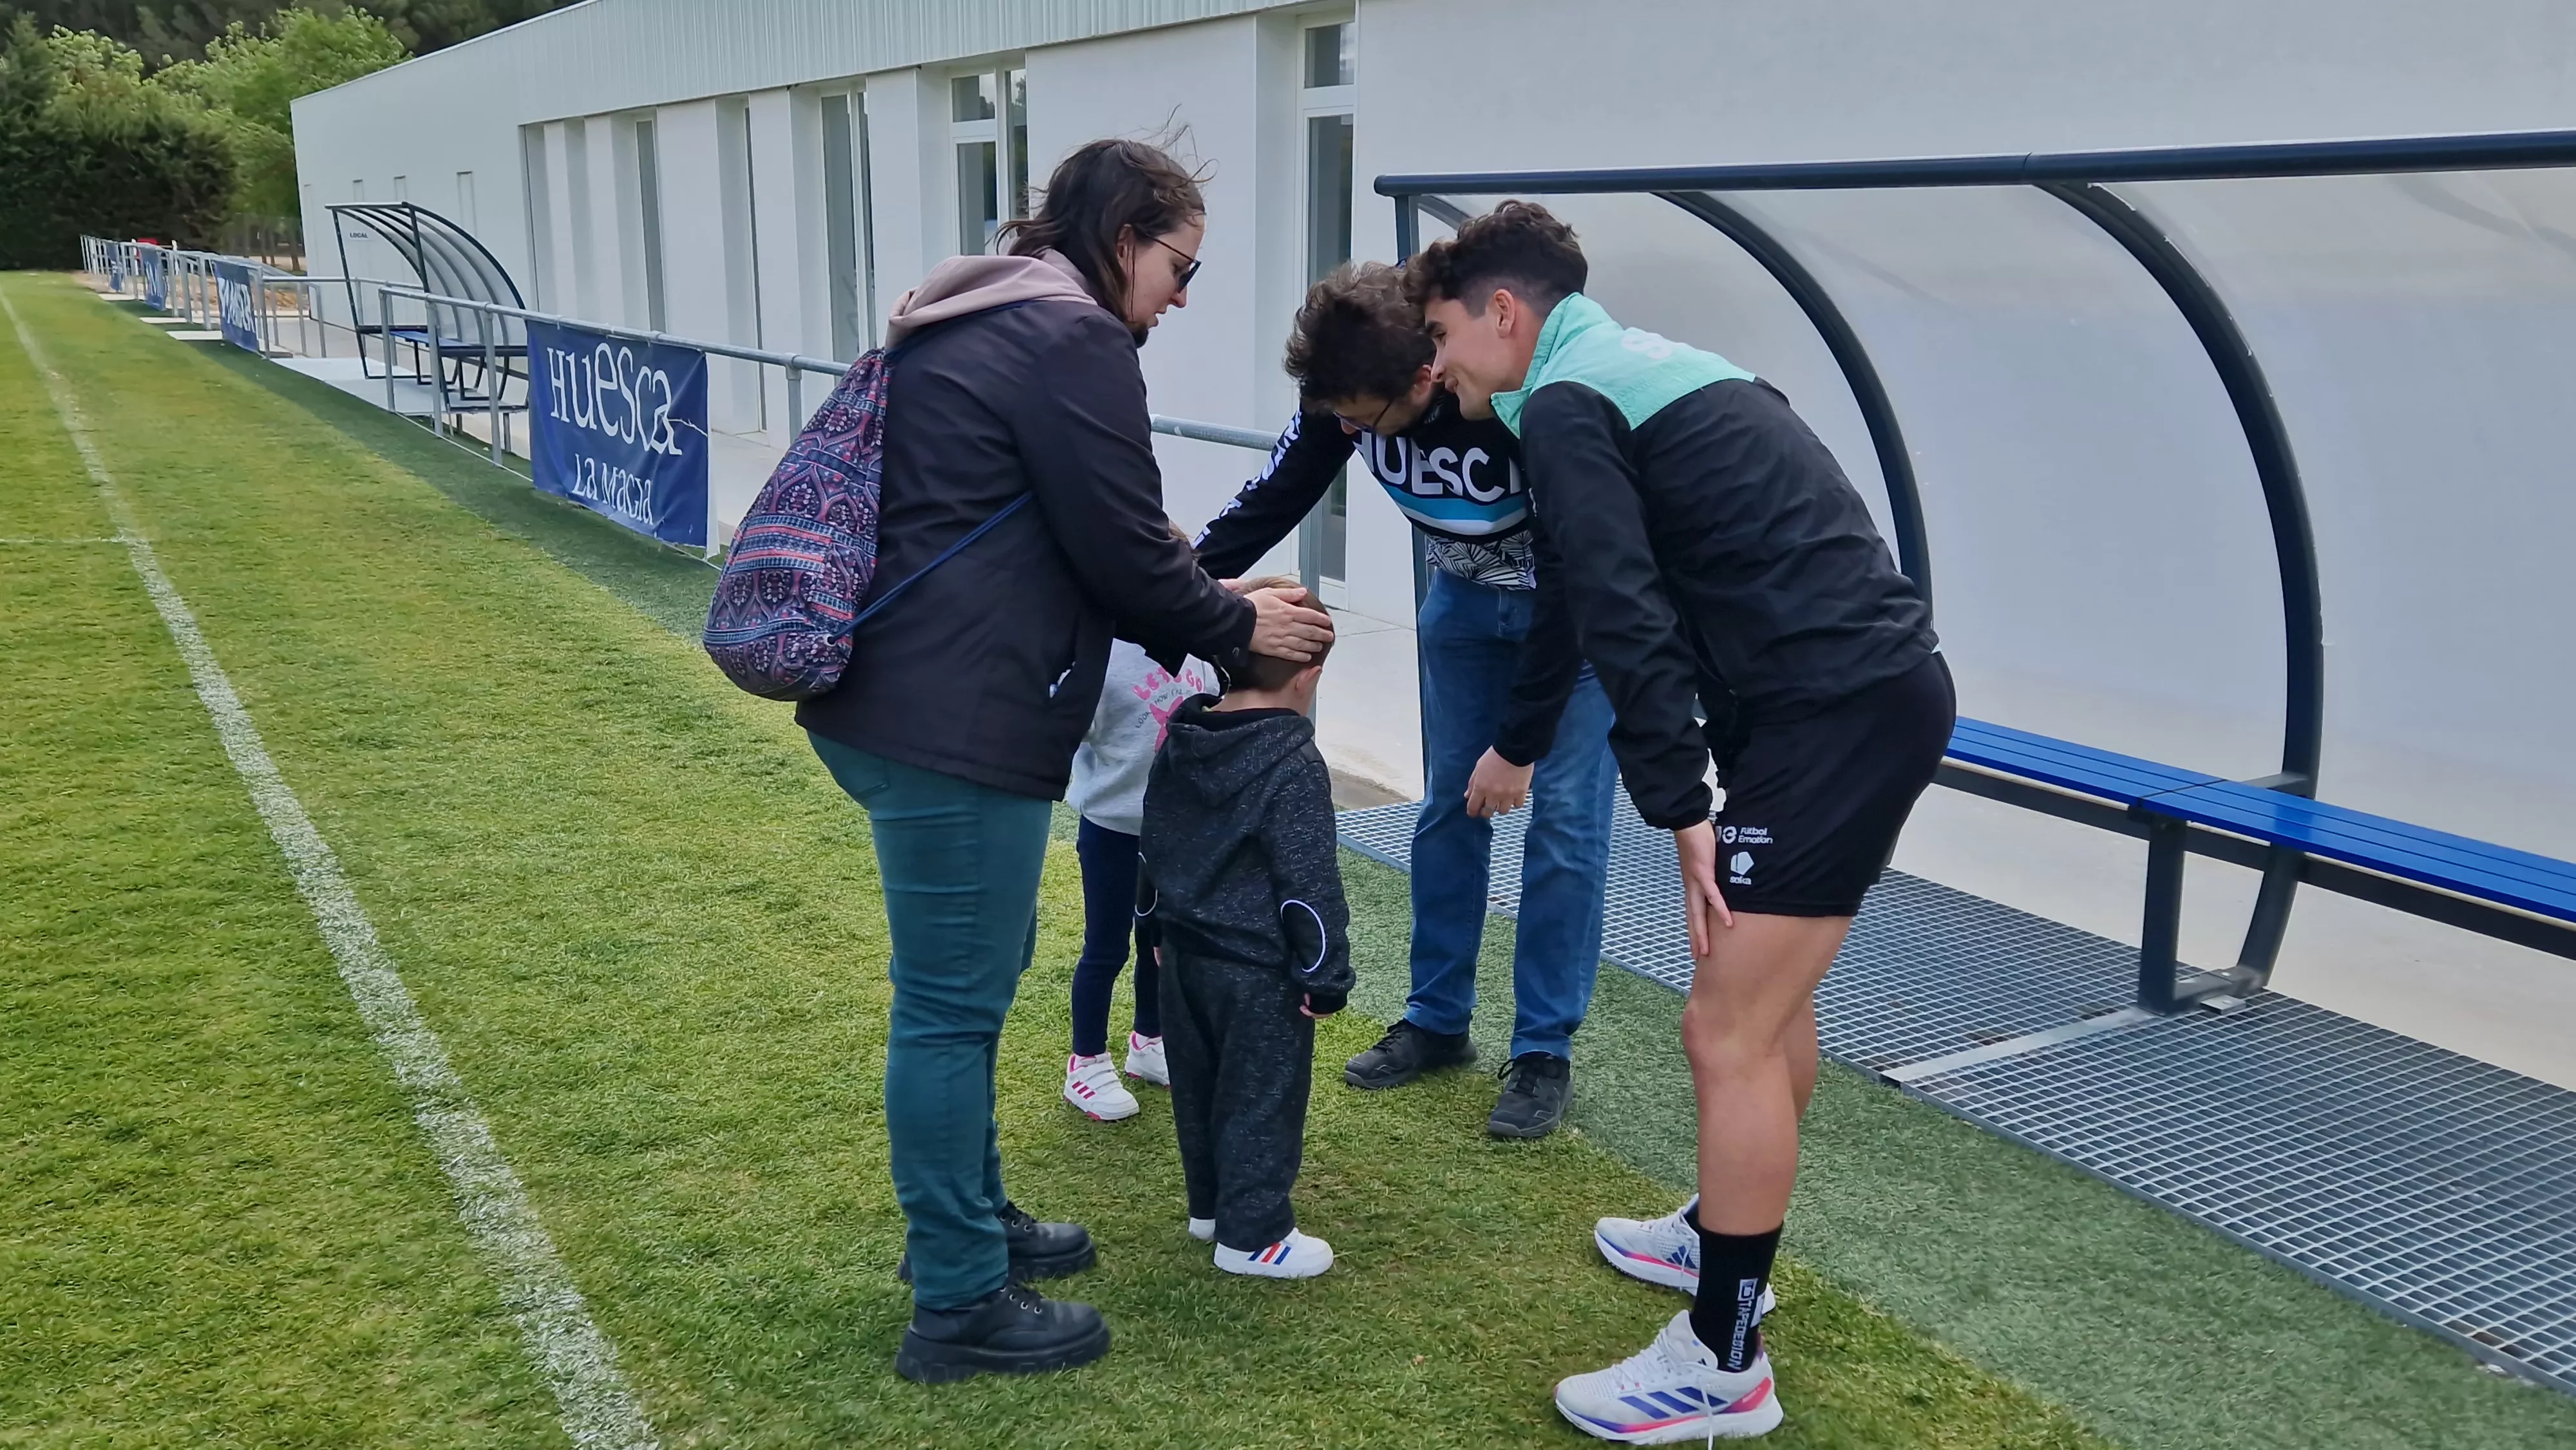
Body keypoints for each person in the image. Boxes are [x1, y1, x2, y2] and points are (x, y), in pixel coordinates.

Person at [797, 138, 1334, 1385]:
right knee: (947, 1010)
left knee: (963, 993)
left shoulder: (985, 306)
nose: (1182, 296)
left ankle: (971, 1221)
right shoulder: (1067, 334)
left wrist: (1200, 602)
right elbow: (1120, 548)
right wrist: (1234, 626)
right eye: (1178, 266)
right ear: (1122, 233)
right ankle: (956, 1302)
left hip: (911, 704)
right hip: (950, 722)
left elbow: (1103, 533)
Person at [1410, 202, 1951, 1440]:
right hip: (1834, 703)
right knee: (1759, 1003)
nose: (1437, 367)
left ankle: (1723, 1361)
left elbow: (1619, 610)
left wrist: (1680, 799)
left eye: (1443, 334)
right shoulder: (1661, 363)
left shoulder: (1563, 402)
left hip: (1836, 712)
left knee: (1727, 1033)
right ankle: (1720, 1239)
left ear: (1506, 313)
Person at [1195, 262, 1616, 1140]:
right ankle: (1436, 1021)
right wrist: (1168, 588)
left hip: (1573, 623)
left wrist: (1521, 742)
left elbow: (1580, 583)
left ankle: (1543, 1049)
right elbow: (1268, 499)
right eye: (1335, 414)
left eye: (1360, 417)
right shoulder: (1346, 398)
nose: (1344, 429)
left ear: (1424, 379)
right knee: (1447, 809)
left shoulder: (1521, 412)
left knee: (1567, 823)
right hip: (1460, 611)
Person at [1139, 580, 1351, 1279]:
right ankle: (1253, 1233)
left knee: (1197, 1087)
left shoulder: (1181, 733)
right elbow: (1308, 884)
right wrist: (1325, 978)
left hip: (1181, 955)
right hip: (1258, 972)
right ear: (1311, 674)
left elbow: (1154, 843)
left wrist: (1154, 929)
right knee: (1260, 1095)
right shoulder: (1293, 761)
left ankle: (1210, 1207)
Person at [1061, 529, 1220, 1122]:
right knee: (1106, 949)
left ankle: (1149, 1043)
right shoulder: (1098, 655)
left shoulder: (1201, 647)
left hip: (1178, 835)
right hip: (1112, 829)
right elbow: (1068, 730)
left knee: (1163, 945)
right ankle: (1086, 1063)